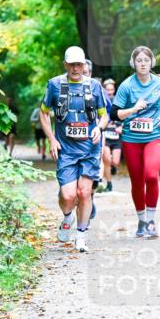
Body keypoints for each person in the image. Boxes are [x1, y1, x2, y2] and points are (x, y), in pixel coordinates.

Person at [40, 46, 109, 252]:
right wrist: (52, 139)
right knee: (68, 196)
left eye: (79, 64)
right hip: (66, 150)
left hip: (89, 149)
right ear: (65, 65)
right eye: (72, 64)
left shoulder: (94, 86)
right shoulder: (54, 85)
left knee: (84, 192)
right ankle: (68, 217)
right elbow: (43, 112)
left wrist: (98, 128)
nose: (75, 68)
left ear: (84, 65)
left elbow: (105, 115)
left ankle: (80, 235)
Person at [114, 46, 160, 238]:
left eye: (146, 60)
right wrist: (133, 109)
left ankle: (151, 221)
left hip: (155, 136)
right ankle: (142, 221)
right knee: (137, 181)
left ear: (152, 62)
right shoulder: (126, 85)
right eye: (139, 60)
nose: (143, 64)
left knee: (151, 175)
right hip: (131, 139)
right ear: (133, 63)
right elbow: (114, 114)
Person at [100, 78, 123, 192]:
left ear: (114, 90)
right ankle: (109, 183)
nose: (110, 92)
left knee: (115, 161)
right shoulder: (101, 101)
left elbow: (125, 116)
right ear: (104, 90)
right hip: (105, 135)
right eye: (108, 90)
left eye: (111, 89)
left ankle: (113, 167)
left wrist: (121, 127)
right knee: (107, 160)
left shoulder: (119, 101)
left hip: (116, 136)